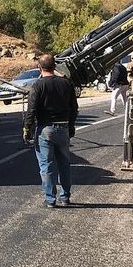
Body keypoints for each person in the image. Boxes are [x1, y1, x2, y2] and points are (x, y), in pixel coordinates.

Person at [23, 54, 78, 208]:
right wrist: (71, 125)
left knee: (46, 165)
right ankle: (65, 196)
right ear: (55, 67)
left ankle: (50, 199)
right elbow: (74, 108)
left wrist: (27, 129)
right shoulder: (66, 84)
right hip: (63, 128)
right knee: (64, 164)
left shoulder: (38, 85)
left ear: (39, 68)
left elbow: (31, 110)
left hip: (45, 130)